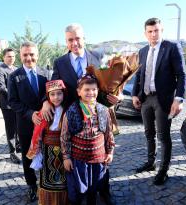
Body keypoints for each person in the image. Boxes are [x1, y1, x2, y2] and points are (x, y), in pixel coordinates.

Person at [47, 23, 118, 204]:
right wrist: (45, 103)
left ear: (84, 38)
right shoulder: (60, 62)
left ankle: (104, 191)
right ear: (66, 42)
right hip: (74, 118)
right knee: (77, 164)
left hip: (98, 115)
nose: (74, 43)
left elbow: (107, 86)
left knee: (101, 160)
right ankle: (78, 194)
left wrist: (116, 95)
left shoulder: (97, 57)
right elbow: (54, 88)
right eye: (70, 40)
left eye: (77, 38)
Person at [132, 18, 186, 185]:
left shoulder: (171, 47)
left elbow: (182, 75)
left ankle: (164, 170)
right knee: (149, 133)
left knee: (163, 136)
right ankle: (151, 163)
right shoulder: (142, 51)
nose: (153, 34)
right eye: (150, 31)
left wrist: (179, 99)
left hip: (164, 99)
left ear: (161, 30)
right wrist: (135, 94)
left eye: (156, 30)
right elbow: (138, 75)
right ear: (145, 33)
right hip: (146, 99)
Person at [60, 74, 115, 205]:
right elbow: (65, 136)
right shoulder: (71, 111)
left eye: (94, 89)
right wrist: (66, 157)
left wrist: (110, 151)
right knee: (77, 193)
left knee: (94, 190)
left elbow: (109, 133)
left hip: (98, 158)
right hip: (78, 160)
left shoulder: (103, 110)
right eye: (87, 90)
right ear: (79, 92)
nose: (91, 92)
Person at [8, 41, 47, 202]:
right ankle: (32, 184)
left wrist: (45, 104)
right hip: (25, 123)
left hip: (46, 122)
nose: (29, 58)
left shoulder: (46, 73)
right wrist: (30, 113)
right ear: (20, 55)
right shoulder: (14, 76)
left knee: (46, 151)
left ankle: (46, 181)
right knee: (27, 155)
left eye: (32, 54)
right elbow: (12, 101)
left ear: (37, 55)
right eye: (25, 54)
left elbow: (51, 93)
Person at [27, 80, 68, 205]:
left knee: (63, 177)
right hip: (47, 149)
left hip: (63, 148)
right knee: (47, 177)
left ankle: (63, 201)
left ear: (64, 94)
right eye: (52, 94)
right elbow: (37, 133)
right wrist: (37, 152)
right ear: (48, 96)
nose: (56, 97)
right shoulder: (44, 112)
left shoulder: (68, 111)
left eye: (59, 94)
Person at [0, 48, 21, 164]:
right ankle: (12, 152)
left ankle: (19, 145)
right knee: (10, 129)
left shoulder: (16, 69)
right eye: (9, 56)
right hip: (8, 104)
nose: (11, 58)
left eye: (13, 56)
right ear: (3, 57)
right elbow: (1, 88)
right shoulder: (0, 69)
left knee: (18, 126)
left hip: (18, 104)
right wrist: (14, 98)